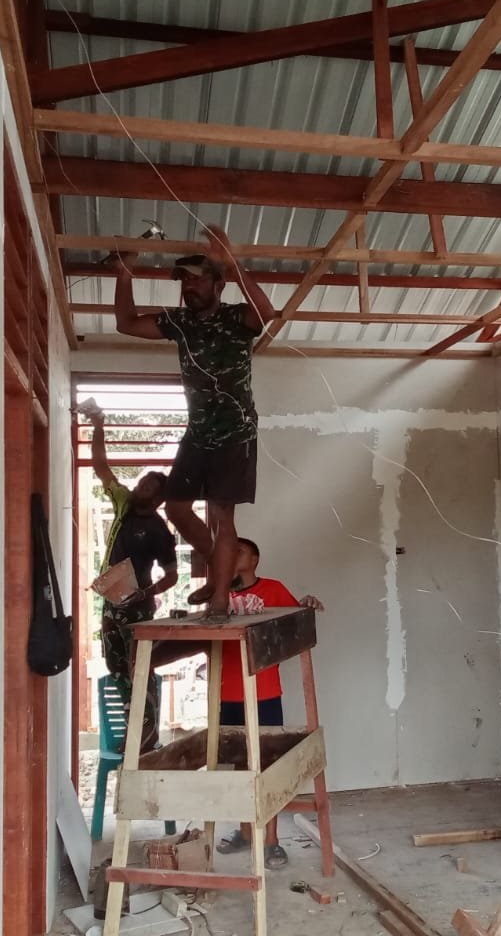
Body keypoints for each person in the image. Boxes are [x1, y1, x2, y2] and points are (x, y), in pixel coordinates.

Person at [109, 225, 278, 621]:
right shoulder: (180, 322)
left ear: (219, 283)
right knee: (177, 508)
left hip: (235, 433)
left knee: (221, 516)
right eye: (183, 280)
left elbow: (266, 312)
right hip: (198, 433)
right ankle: (221, 571)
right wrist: (124, 273)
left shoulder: (236, 318)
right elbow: (126, 323)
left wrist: (232, 261)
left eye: (197, 278)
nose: (188, 286)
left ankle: (219, 600)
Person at [214, 536, 323, 870]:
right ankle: (246, 832)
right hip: (227, 692)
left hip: (264, 691)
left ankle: (272, 841)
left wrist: (305, 605)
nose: (233, 555)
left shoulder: (273, 589)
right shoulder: (220, 594)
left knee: (268, 765)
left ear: (255, 559)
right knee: (239, 765)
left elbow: (294, 623)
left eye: (240, 551)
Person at [89, 407, 179, 749]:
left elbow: (172, 575)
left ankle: (147, 734)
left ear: (158, 498)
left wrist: (146, 593)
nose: (140, 487)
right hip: (112, 600)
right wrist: (99, 425)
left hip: (138, 607)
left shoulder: (159, 530)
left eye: (148, 487)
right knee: (115, 666)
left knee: (139, 666)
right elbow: (101, 467)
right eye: (141, 482)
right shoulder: (123, 505)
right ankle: (133, 728)